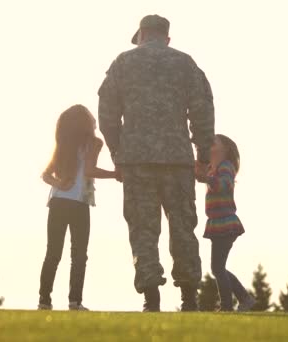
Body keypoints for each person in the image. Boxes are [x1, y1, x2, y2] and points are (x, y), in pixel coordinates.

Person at [98, 14, 215, 312]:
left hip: (137, 161)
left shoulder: (123, 63)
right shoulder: (186, 64)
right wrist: (202, 157)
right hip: (178, 161)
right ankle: (189, 297)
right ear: (167, 38)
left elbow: (107, 114)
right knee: (183, 227)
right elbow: (203, 112)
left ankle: (151, 298)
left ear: (141, 34)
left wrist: (116, 153)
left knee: (143, 229)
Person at [38, 104, 119, 311]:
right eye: (91, 118)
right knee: (79, 255)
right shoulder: (94, 143)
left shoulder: (64, 145)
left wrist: (59, 184)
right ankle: (75, 302)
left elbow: (46, 175)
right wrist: (115, 174)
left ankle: (44, 301)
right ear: (85, 122)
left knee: (53, 253)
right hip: (79, 204)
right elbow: (90, 170)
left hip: (57, 202)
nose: (94, 120)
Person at [195, 134, 255, 311]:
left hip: (225, 224)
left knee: (217, 268)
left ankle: (229, 306)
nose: (211, 141)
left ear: (225, 149)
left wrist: (207, 179)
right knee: (218, 267)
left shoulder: (226, 167)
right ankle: (244, 299)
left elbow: (224, 184)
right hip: (217, 224)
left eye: (215, 141)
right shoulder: (213, 168)